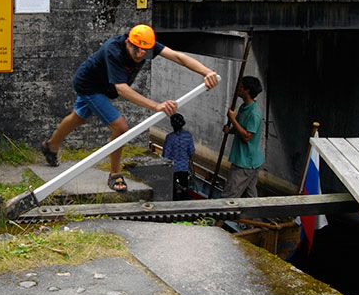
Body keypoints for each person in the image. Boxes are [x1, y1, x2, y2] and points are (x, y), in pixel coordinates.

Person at [40, 24, 219, 193]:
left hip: (103, 85)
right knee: (120, 128)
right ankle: (115, 173)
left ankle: (50, 146)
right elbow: (122, 89)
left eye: (145, 50)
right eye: (137, 49)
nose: (141, 53)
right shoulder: (114, 50)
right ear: (128, 42)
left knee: (78, 118)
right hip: (90, 85)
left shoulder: (147, 45)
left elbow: (177, 56)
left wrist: (206, 72)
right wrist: (156, 105)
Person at [223, 75, 264, 198]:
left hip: (245, 162)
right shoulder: (243, 107)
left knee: (229, 195)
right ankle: (254, 217)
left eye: (240, 87)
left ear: (247, 91)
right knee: (249, 195)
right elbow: (240, 127)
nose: (238, 89)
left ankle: (220, 216)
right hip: (250, 160)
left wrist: (232, 119)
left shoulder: (254, 114)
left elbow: (247, 136)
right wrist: (230, 130)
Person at [163, 113, 195, 200]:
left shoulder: (170, 137)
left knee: (172, 191)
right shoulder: (188, 135)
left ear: (171, 124)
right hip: (184, 167)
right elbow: (191, 151)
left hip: (173, 168)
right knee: (184, 188)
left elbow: (166, 155)